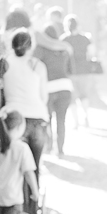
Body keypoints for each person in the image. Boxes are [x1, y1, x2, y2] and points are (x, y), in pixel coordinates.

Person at [0, 29, 48, 214]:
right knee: (32, 167)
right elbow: (43, 96)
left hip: (13, 118)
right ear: (31, 45)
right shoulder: (37, 65)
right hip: (37, 118)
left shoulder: (3, 63)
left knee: (13, 166)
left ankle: (11, 213)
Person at [33, 25, 73, 155]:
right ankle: (60, 150)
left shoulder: (40, 49)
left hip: (48, 88)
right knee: (61, 120)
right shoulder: (65, 50)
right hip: (65, 87)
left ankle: (49, 146)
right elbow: (71, 70)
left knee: (47, 119)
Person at [62, 14, 92, 128]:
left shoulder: (64, 39)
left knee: (73, 98)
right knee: (84, 95)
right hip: (84, 71)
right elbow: (91, 53)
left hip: (70, 72)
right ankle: (86, 116)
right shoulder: (85, 38)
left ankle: (76, 122)